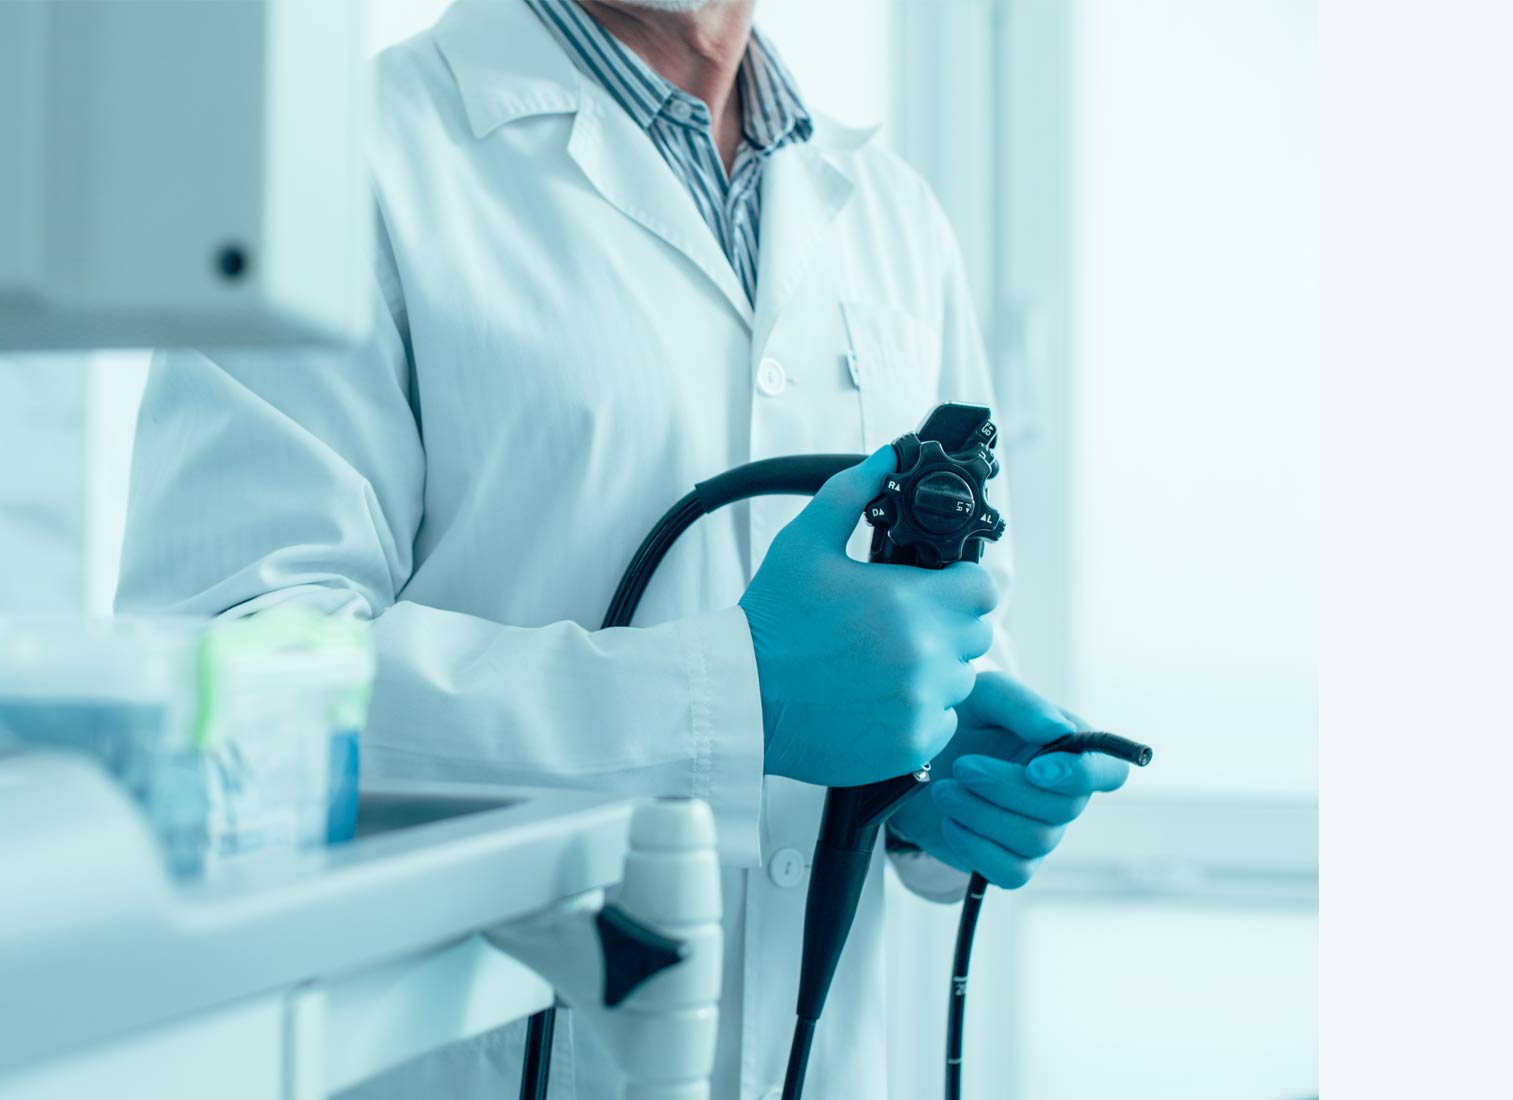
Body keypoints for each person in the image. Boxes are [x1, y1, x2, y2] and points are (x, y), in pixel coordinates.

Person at [117, 0, 1128, 1096]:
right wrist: (735, 700)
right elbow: (227, 695)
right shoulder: (327, 165)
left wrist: (924, 754)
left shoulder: (894, 213)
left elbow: (949, 615)